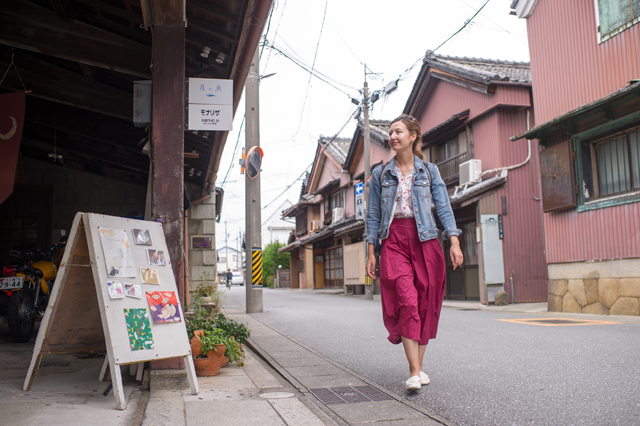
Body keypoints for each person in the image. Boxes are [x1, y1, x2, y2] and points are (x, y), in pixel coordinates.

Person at [364, 114, 464, 391]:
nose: (392, 137)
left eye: (398, 132)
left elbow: (443, 207)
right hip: (393, 239)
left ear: (413, 136)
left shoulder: (429, 171)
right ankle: (414, 371)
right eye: (391, 133)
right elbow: (373, 215)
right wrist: (371, 251)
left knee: (424, 303)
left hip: (426, 240)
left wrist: (454, 241)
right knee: (406, 301)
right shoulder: (380, 174)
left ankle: (418, 370)